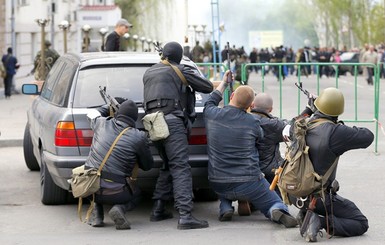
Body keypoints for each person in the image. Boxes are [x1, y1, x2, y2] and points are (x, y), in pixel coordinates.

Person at [203, 72, 297, 228]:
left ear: (232, 95)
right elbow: (260, 137)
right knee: (275, 201)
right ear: (250, 106)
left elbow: (211, 100)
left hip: (217, 180)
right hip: (249, 182)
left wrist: (225, 83)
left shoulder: (212, 114)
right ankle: (276, 210)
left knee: (223, 180)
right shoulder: (253, 122)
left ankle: (225, 207)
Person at [286, 87, 374, 242]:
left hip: (294, 193)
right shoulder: (335, 132)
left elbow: (288, 126)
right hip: (318, 197)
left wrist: (310, 108)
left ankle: (306, 212)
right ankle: (317, 221)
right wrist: (343, 128)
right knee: (360, 222)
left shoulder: (299, 125)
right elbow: (368, 136)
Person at [143, 41, 213, 230]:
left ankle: (158, 209)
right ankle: (185, 215)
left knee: (168, 164)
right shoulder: (180, 70)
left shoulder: (148, 72)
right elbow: (207, 87)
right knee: (180, 166)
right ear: (179, 57)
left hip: (153, 122)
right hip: (172, 122)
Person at [84, 100, 154, 230]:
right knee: (138, 193)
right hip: (117, 193)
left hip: (87, 188)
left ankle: (97, 213)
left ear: (118, 113)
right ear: (134, 118)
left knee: (95, 177)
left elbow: (92, 113)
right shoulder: (138, 137)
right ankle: (119, 208)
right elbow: (147, 166)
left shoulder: (101, 123)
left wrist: (108, 106)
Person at [250, 92, 288, 197]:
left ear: (252, 105)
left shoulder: (245, 120)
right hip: (269, 171)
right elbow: (293, 127)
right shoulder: (274, 125)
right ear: (270, 109)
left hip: (249, 168)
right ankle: (277, 202)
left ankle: (250, 201)